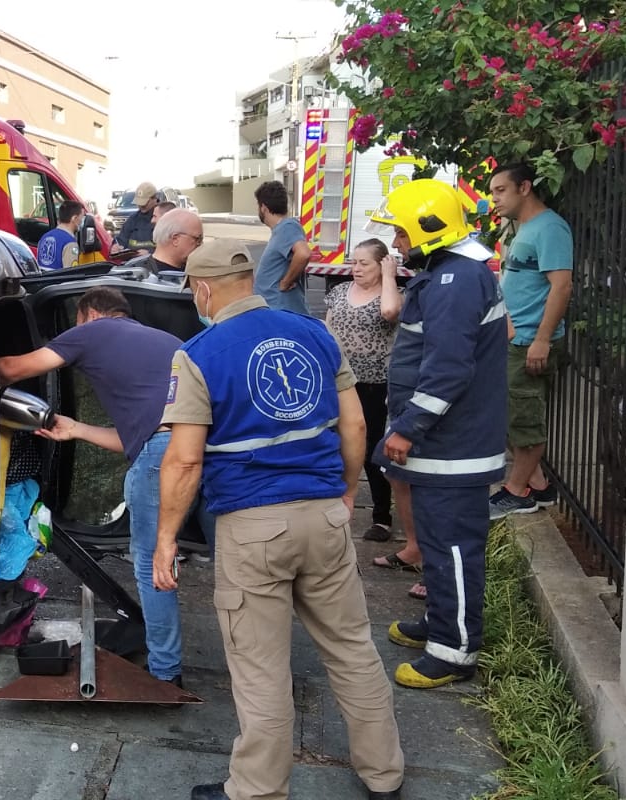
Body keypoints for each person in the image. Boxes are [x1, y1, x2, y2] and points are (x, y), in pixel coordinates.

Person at [153, 237, 405, 800]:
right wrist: (343, 496)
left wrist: (166, 538)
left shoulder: (197, 354)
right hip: (325, 517)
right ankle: (384, 775)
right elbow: (356, 428)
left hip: (252, 527)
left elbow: (185, 459)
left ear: (202, 288)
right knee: (353, 650)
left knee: (261, 669)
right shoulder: (316, 333)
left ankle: (258, 790)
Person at [0, 287, 189, 685]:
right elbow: (137, 437)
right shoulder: (170, 342)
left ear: (89, 314)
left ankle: (166, 673)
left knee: (153, 563)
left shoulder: (95, 331)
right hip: (199, 449)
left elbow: (12, 370)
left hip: (162, 458)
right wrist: (76, 429)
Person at [367, 179, 508, 690]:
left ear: (430, 229)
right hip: (445, 446)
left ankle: (454, 653)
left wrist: (408, 427)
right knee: (438, 542)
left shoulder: (455, 282)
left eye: (402, 232)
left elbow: (447, 369)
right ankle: (442, 624)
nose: (397, 243)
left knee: (450, 549)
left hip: (452, 446)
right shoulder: (449, 275)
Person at [486, 162, 573, 518]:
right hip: (513, 336)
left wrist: (542, 340)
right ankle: (537, 485)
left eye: (500, 190)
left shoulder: (550, 228)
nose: (495, 199)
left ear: (524, 188)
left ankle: (517, 490)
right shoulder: (521, 228)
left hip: (529, 342)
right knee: (510, 414)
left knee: (525, 418)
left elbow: (562, 285)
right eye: (492, 192)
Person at [323, 239, 403, 543]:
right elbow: (327, 333)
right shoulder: (339, 293)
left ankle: (381, 517)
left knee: (371, 450)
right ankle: (333, 506)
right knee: (334, 443)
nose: (356, 269)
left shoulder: (393, 294)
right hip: (341, 383)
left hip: (375, 385)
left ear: (382, 264)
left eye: (364, 263)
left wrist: (389, 277)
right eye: (354, 262)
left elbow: (389, 311)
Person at [255, 180, 312, 315]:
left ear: (263, 207)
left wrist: (286, 282)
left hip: (282, 311)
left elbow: (304, 253)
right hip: (275, 311)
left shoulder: (287, 227)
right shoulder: (281, 229)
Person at [123, 208, 203, 276]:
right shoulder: (135, 276)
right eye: (197, 239)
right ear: (175, 239)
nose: (200, 245)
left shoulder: (196, 271)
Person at [113, 181, 161, 255]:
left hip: (155, 265)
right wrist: (116, 247)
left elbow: (171, 249)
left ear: (155, 199)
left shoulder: (164, 219)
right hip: (132, 264)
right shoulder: (132, 220)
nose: (141, 206)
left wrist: (150, 254)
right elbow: (121, 240)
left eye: (145, 202)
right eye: (139, 202)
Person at [36, 200, 84, 270]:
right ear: (74, 218)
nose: (82, 221)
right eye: (81, 218)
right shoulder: (70, 242)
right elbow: (71, 274)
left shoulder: (44, 237)